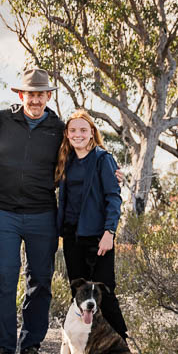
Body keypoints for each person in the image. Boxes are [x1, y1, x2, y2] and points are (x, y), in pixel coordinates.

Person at [0, 68, 66, 354]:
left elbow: (86, 151)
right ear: (20, 95)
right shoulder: (2, 120)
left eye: (41, 94)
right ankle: (1, 352)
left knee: (40, 280)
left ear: (49, 96)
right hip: (2, 212)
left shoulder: (59, 128)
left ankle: (29, 351)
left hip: (43, 213)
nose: (36, 99)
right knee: (4, 277)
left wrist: (113, 170)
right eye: (30, 94)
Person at [54, 109, 128, 341]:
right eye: (73, 130)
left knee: (105, 293)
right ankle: (83, 353)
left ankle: (121, 346)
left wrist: (109, 232)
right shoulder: (66, 160)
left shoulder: (102, 158)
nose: (78, 134)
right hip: (72, 236)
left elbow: (113, 198)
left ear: (92, 133)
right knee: (79, 295)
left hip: (98, 237)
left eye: (83, 130)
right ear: (66, 134)